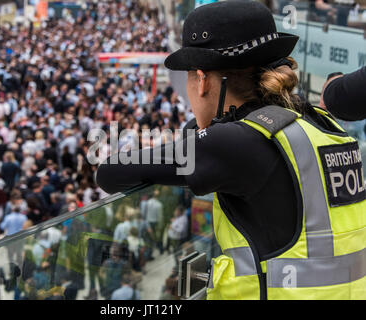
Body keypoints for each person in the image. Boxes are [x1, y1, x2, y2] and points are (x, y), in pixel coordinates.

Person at [97, 1, 365, 300]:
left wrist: (203, 129)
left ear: (201, 81)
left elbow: (110, 172)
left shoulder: (232, 144)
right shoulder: (318, 122)